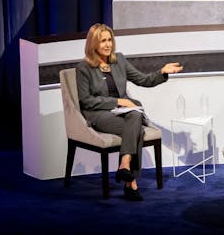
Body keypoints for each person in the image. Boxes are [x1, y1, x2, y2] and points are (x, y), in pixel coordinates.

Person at [76, 23, 184, 201]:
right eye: (103, 40)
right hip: (99, 114)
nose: (108, 44)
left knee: (134, 115)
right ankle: (130, 184)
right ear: (93, 44)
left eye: (110, 39)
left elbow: (143, 80)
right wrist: (118, 101)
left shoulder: (119, 60)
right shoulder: (83, 68)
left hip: (123, 112)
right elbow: (86, 101)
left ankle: (124, 165)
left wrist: (162, 72)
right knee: (137, 129)